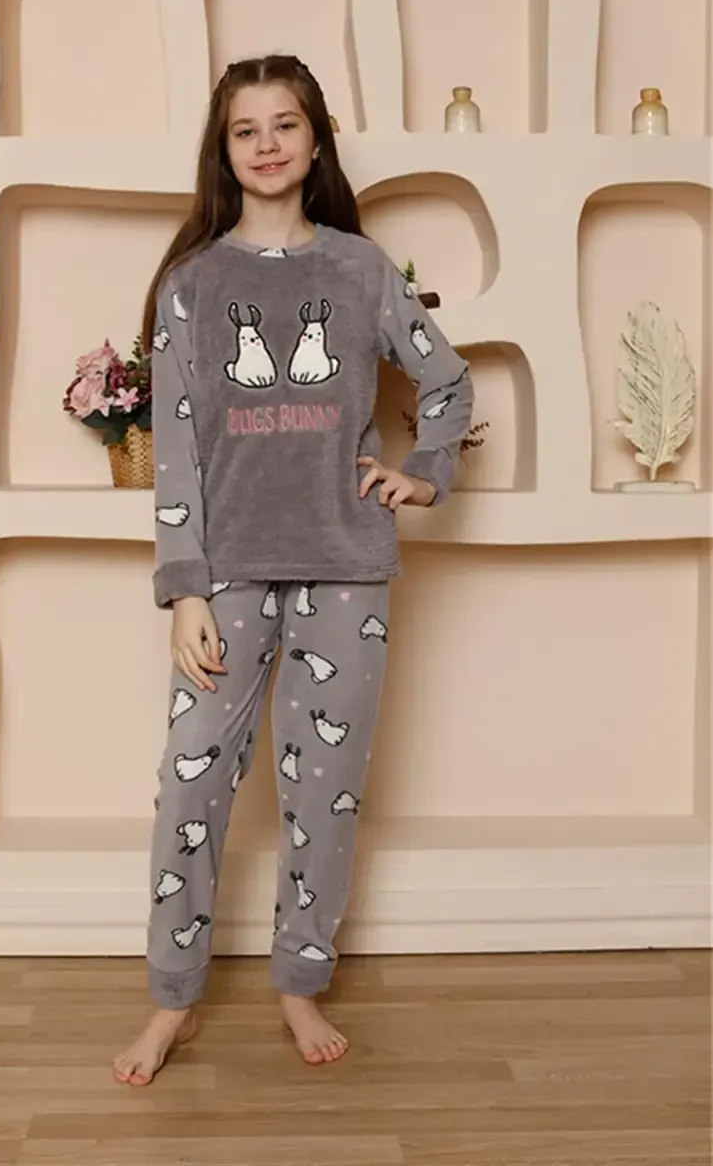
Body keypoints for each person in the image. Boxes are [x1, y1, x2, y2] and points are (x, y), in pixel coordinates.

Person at [113, 53, 474, 1085]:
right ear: (223, 150)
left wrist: (422, 474)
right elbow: (176, 453)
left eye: (285, 124)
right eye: (246, 129)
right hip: (226, 571)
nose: (267, 144)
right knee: (191, 783)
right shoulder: (192, 285)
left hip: (345, 568)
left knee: (325, 789)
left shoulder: (360, 271)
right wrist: (184, 586)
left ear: (315, 142)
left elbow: (446, 381)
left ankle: (298, 981)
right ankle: (172, 1001)